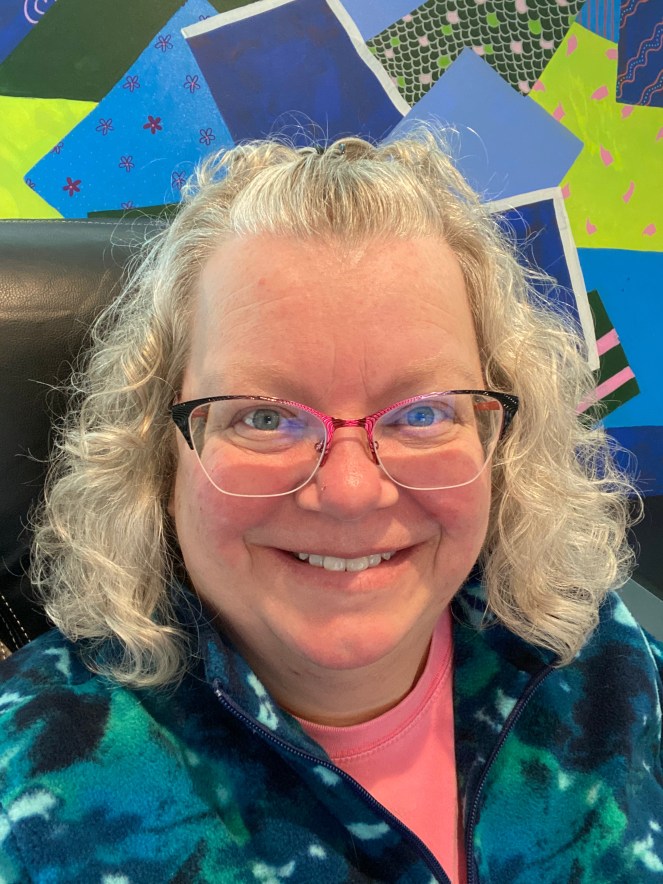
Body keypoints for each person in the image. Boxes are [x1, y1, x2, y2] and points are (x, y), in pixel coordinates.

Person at [0, 132, 660, 884]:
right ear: (161, 449)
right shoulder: (29, 784)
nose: (350, 492)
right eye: (263, 417)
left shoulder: (598, 655)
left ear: (497, 438)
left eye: (422, 413)